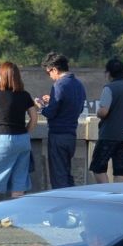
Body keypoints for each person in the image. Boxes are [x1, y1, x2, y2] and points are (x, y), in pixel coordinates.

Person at [0, 62, 38, 205]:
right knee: (19, 180)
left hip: (4, 139)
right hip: (23, 140)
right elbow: (34, 119)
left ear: (1, 77)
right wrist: (26, 133)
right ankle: (14, 217)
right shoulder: (25, 96)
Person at [36, 52, 86, 189]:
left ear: (55, 69)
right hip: (71, 136)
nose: (50, 76)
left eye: (48, 73)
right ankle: (71, 206)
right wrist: (52, 101)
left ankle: (62, 207)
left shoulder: (59, 85)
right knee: (67, 175)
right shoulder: (79, 85)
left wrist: (41, 106)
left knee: (58, 178)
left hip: (58, 136)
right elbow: (79, 108)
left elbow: (51, 113)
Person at [91, 57, 123, 183]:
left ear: (108, 73)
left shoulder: (109, 88)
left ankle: (106, 193)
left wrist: (98, 112)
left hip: (108, 135)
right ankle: (118, 196)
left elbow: (103, 112)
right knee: (121, 170)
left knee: (98, 166)